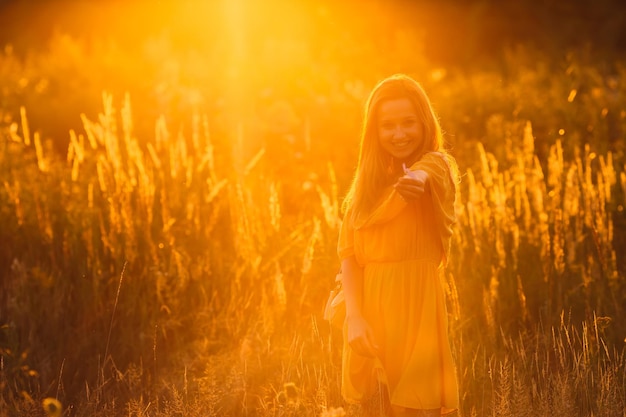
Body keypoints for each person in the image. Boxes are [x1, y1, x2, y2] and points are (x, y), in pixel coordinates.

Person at [337, 74, 459, 416]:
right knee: (376, 407)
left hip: (417, 313)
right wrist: (356, 318)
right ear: (373, 132)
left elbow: (427, 172)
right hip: (370, 316)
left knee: (418, 407)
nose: (399, 133)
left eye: (408, 123)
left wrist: (414, 181)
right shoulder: (364, 191)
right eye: (387, 125)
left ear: (424, 123)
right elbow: (349, 258)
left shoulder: (436, 166)